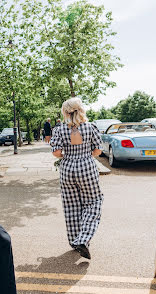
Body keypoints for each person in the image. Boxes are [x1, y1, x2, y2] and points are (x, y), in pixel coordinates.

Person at [50, 97, 103, 260]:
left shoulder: (59, 129)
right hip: (86, 167)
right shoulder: (90, 127)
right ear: (80, 110)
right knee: (94, 201)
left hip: (67, 169)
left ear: (65, 112)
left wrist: (68, 155)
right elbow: (98, 150)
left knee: (71, 205)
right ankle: (84, 238)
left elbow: (56, 152)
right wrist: (86, 154)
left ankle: (75, 241)